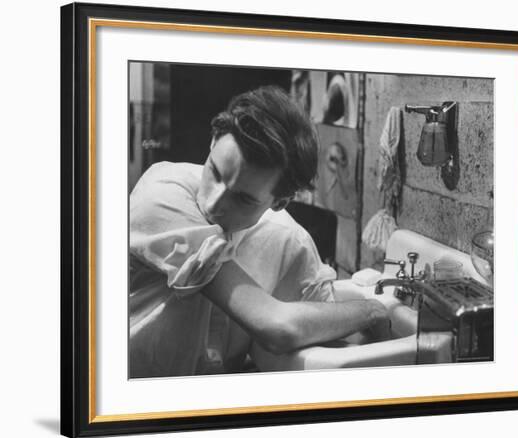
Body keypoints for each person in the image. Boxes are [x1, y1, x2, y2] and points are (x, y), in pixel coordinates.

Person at [129, 85, 390, 378]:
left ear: (279, 202)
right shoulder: (162, 193)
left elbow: (325, 331)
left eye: (242, 198)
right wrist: (372, 310)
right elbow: (277, 326)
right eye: (215, 172)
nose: (213, 203)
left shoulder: (289, 241)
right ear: (214, 140)